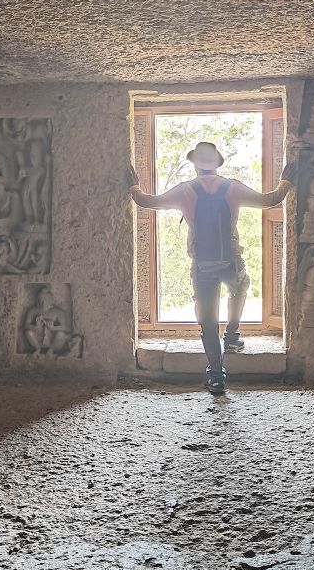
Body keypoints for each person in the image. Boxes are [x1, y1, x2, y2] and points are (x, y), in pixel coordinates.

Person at [126, 141, 295, 394]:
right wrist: (285, 181)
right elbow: (271, 199)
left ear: (195, 165)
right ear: (217, 164)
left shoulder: (185, 191)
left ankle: (216, 375)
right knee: (240, 286)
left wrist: (134, 185)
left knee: (207, 319)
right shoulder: (233, 188)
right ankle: (233, 335)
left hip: (202, 264)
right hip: (231, 259)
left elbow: (145, 201)